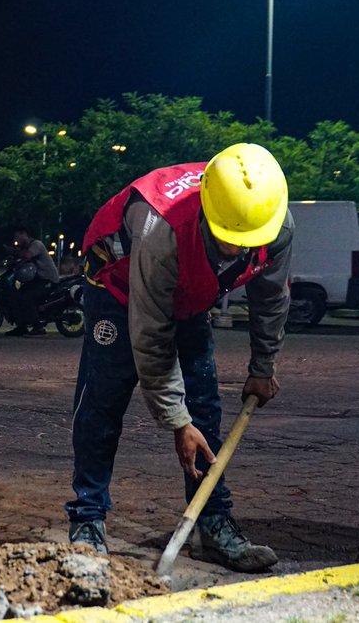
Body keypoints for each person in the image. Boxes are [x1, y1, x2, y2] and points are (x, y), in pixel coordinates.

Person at [65, 143, 292, 573]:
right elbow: (151, 334)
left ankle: (212, 523)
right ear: (208, 212)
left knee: (205, 406)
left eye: (245, 243)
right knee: (104, 402)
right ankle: (87, 520)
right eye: (227, 240)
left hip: (188, 295)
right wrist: (176, 421)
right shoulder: (160, 228)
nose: (236, 251)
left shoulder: (273, 221)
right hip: (118, 289)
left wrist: (263, 368)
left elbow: (271, 296)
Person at [4, 226, 60, 336]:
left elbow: (27, 255)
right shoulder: (25, 248)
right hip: (38, 279)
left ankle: (38, 328)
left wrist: (13, 252)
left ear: (24, 233)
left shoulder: (36, 244)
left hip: (48, 279)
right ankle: (21, 327)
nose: (16, 240)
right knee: (18, 295)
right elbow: (21, 260)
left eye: (17, 236)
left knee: (27, 297)